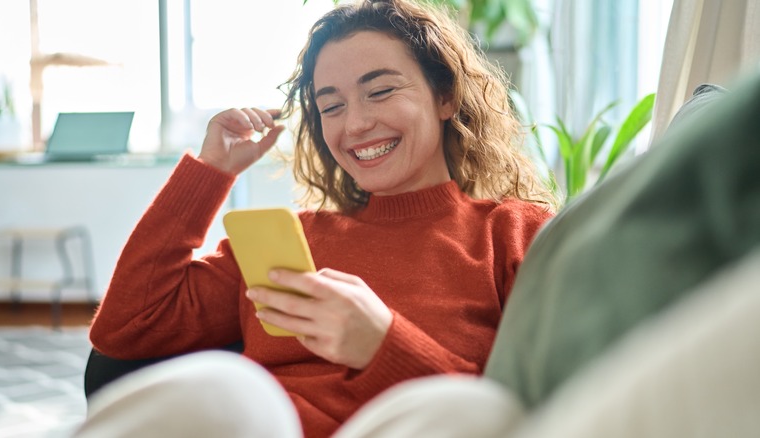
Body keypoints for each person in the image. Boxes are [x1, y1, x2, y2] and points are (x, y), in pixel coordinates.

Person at [77, 0, 556, 436]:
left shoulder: (514, 234)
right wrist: (208, 174)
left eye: (381, 90)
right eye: (331, 106)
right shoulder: (294, 242)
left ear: (445, 96)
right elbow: (124, 328)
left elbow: (536, 409)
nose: (355, 124)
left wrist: (383, 345)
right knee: (229, 388)